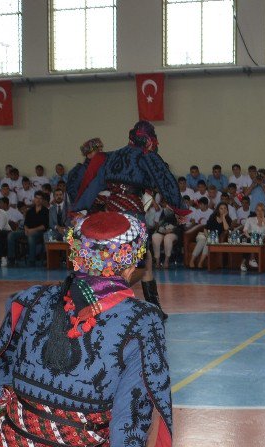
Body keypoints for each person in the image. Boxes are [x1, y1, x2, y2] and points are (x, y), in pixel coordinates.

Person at [0, 211, 172, 447]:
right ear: (131, 261)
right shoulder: (142, 320)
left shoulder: (30, 297)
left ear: (77, 254)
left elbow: (0, 368)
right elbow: (132, 413)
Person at [69, 122, 187, 319]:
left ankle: (153, 306)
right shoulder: (146, 156)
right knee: (139, 262)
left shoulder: (113, 155)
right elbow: (165, 180)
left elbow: (96, 183)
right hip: (131, 213)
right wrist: (179, 209)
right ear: (148, 139)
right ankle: (106, 294)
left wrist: (81, 208)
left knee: (137, 258)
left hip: (111, 210)